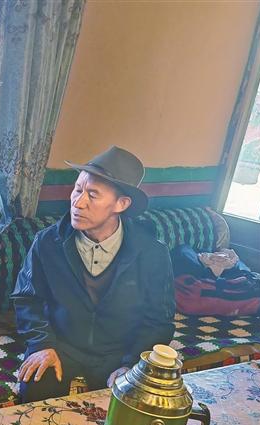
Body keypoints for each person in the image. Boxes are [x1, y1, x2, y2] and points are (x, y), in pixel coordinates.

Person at [11, 146, 175, 403]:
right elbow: (26, 299)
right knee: (34, 389)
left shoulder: (152, 253)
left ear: (121, 204)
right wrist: (42, 344)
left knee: (133, 403)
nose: (78, 203)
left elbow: (159, 320)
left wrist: (132, 363)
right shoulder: (47, 242)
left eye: (93, 195)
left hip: (119, 353)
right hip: (60, 346)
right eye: (77, 190)